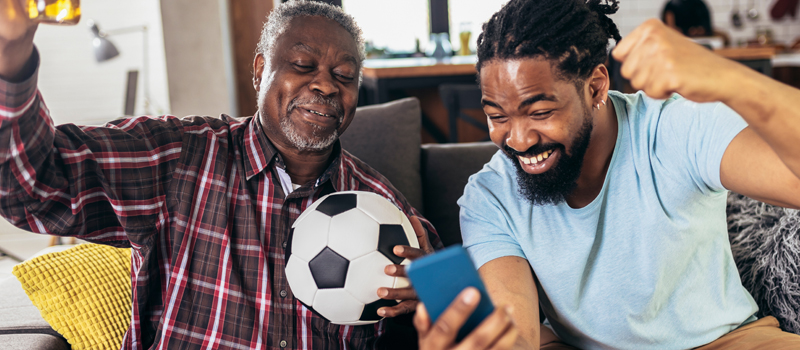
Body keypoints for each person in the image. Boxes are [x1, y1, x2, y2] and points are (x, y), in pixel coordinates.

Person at [0, 0, 441, 349]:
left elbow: (451, 323)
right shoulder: (177, 156)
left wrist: (425, 307)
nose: (326, 85)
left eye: (344, 75)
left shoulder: (388, 208)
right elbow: (32, 189)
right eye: (303, 66)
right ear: (259, 71)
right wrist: (11, 59)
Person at [414, 0, 800, 349]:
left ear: (595, 86)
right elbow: (518, 333)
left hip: (725, 341)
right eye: (497, 116)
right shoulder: (489, 195)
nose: (517, 139)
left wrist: (731, 80)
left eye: (540, 112)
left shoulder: (675, 128)